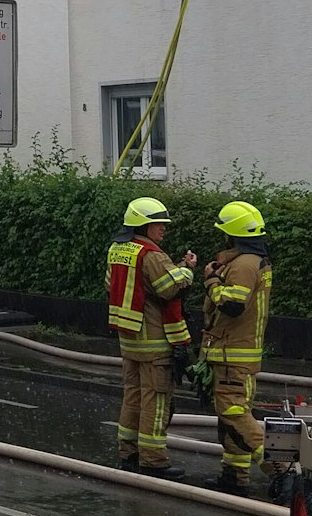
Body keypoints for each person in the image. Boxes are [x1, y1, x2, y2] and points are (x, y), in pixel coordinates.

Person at [106, 196, 197, 480]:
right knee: (155, 402)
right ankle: (153, 460)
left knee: (132, 397)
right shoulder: (152, 255)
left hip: (129, 339)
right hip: (154, 342)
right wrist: (187, 270)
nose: (163, 228)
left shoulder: (117, 249)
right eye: (158, 224)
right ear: (143, 226)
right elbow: (169, 287)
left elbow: (111, 284)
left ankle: (128, 453)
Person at [202, 200, 273, 494]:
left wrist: (211, 282)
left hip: (233, 353)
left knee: (234, 414)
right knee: (232, 417)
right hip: (239, 353)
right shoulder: (253, 261)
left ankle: (281, 469)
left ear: (231, 234)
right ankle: (234, 475)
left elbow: (232, 305)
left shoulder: (244, 265)